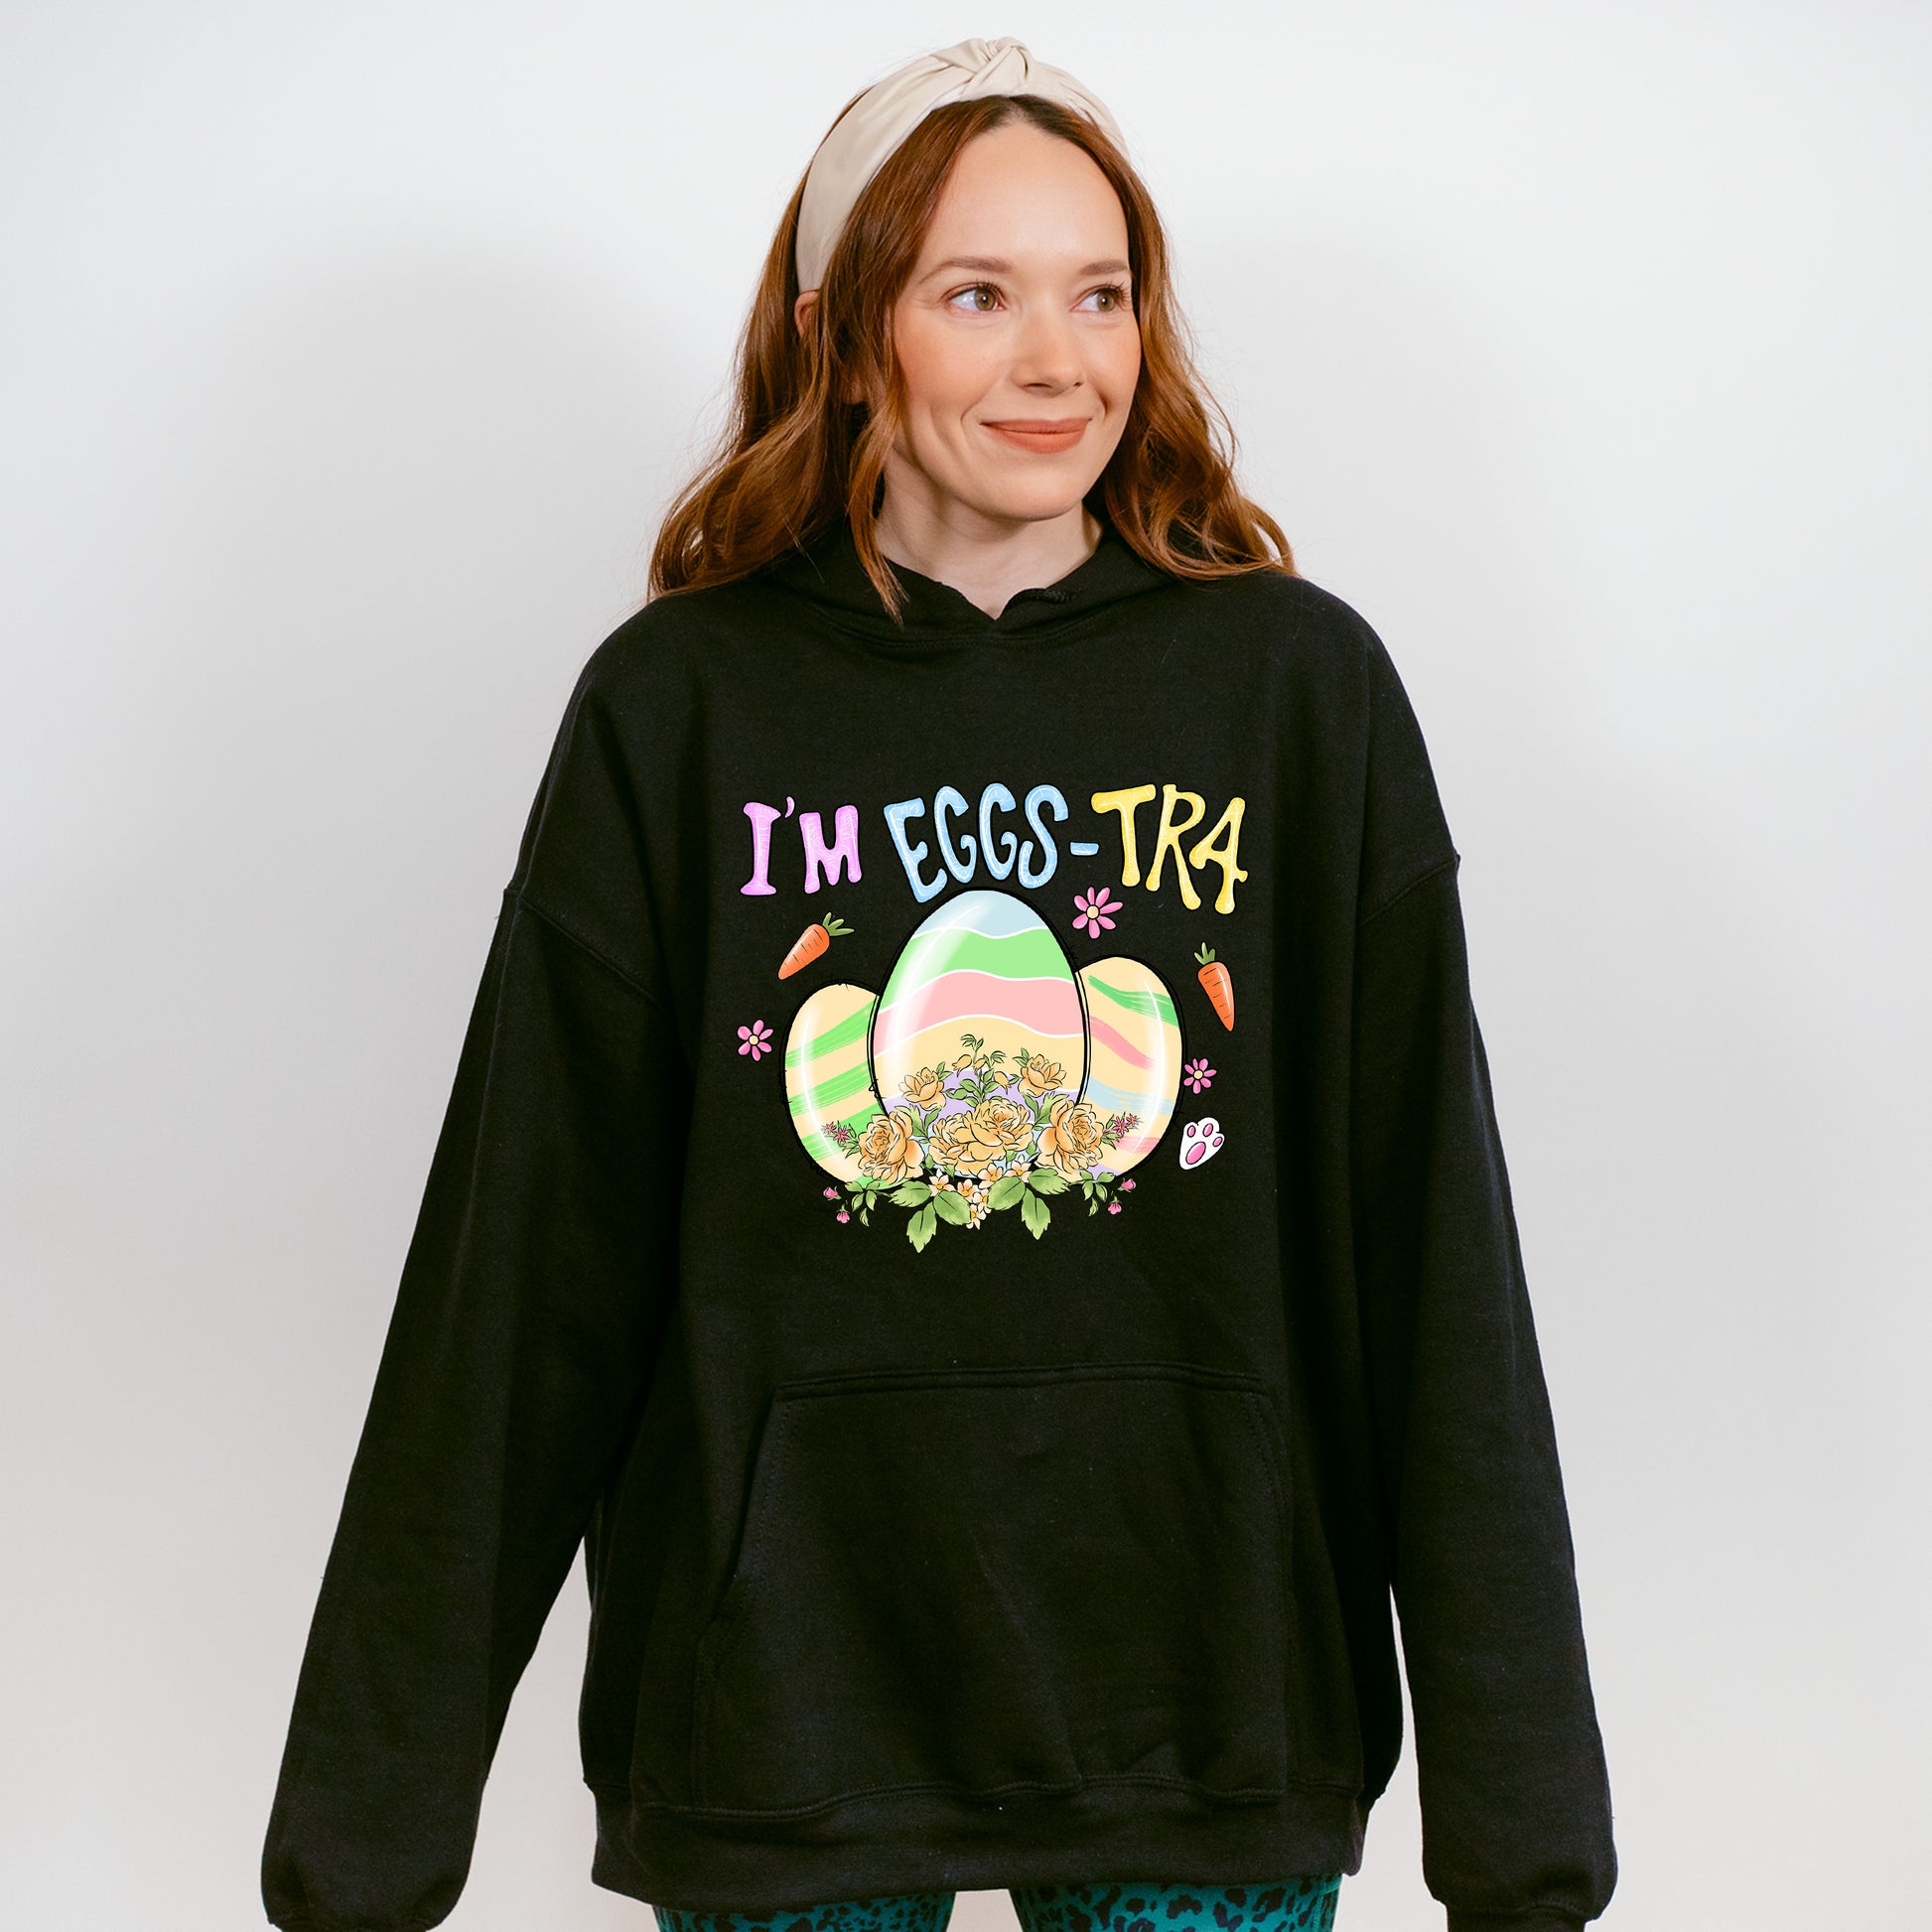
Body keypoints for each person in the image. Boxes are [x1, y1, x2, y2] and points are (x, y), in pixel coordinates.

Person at [261, 36, 1615, 1932]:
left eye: (1100, 294)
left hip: (1207, 1695)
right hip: (778, 1703)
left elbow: (1432, 1246)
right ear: (843, 331)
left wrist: (1522, 1813)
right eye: (977, 294)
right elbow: (522, 1273)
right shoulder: (680, 709)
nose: (1058, 361)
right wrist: (366, 1836)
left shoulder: (1296, 696)